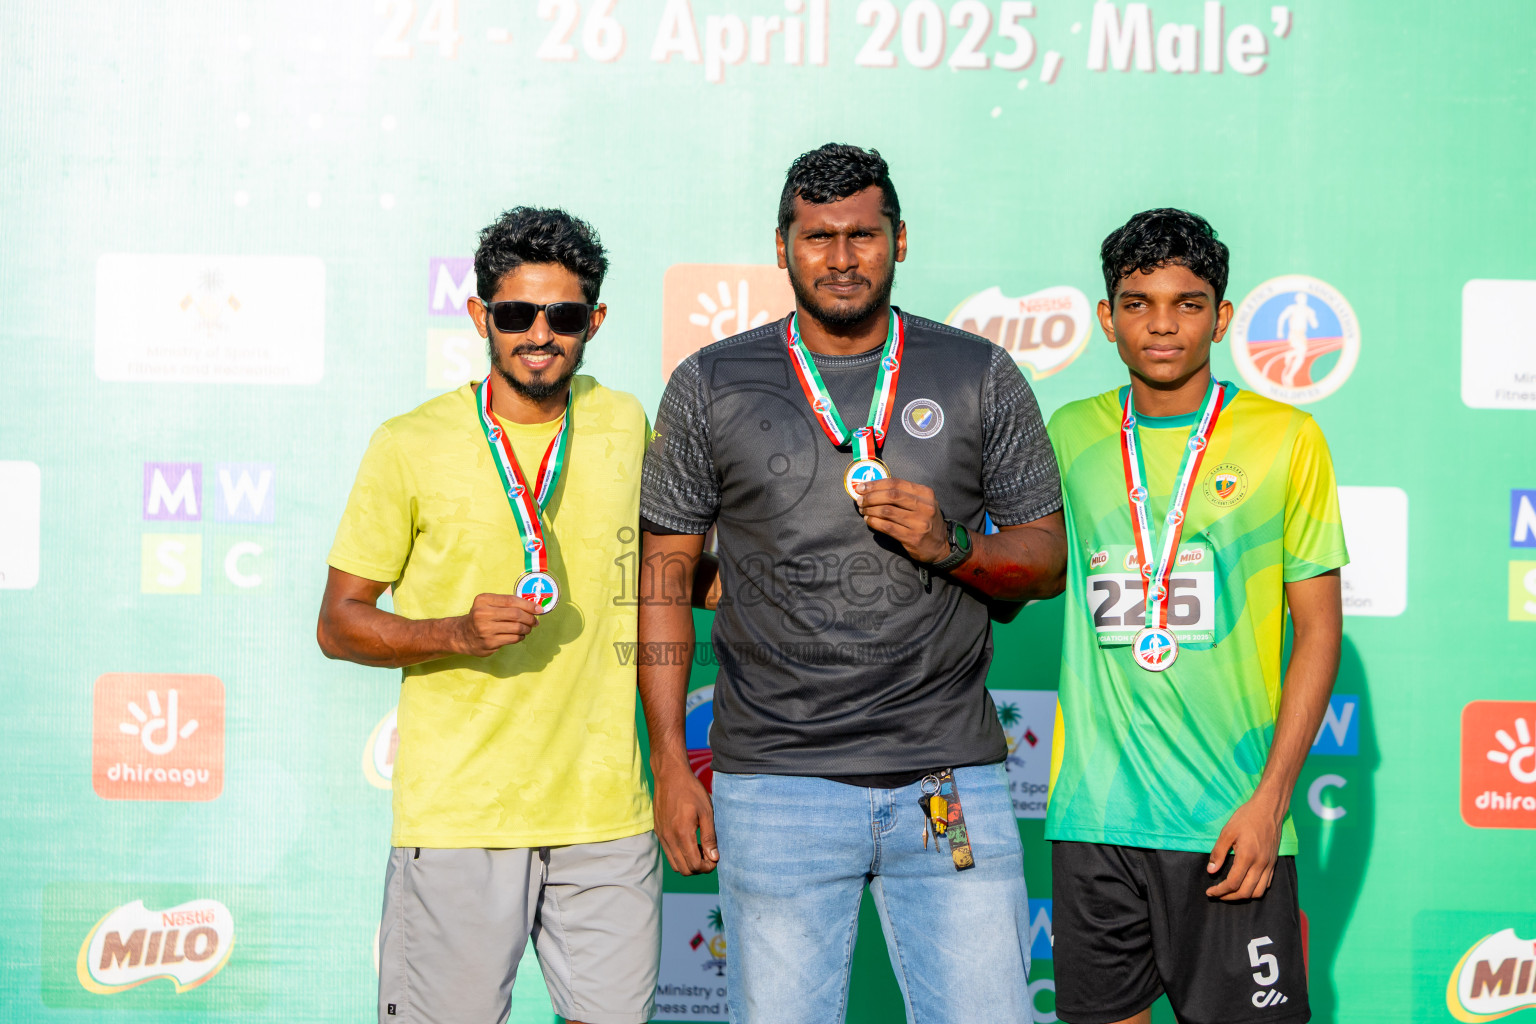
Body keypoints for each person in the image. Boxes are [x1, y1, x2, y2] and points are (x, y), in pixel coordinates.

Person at [638, 143, 1067, 1023]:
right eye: (818, 236)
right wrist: (673, 767)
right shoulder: (710, 383)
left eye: (863, 235)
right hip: (774, 783)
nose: (841, 258)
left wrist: (953, 547)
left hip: (949, 777)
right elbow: (661, 581)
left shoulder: (979, 373)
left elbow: (1046, 563)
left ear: (899, 241)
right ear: (783, 246)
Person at [317, 207, 660, 1024]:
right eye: (516, 313)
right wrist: (454, 633)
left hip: (606, 815)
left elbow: (670, 574)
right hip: (462, 815)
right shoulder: (410, 442)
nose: (540, 334)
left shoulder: (622, 423)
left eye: (565, 315)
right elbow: (339, 623)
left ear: (594, 322)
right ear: (480, 317)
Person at [1045, 209, 1347, 1024]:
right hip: (1094, 817)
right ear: (1107, 319)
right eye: (1138, 303)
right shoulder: (1069, 433)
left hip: (1229, 820)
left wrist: (1271, 802)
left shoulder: (1286, 437)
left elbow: (1319, 630)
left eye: (1187, 301)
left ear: (1223, 316)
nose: (1163, 324)